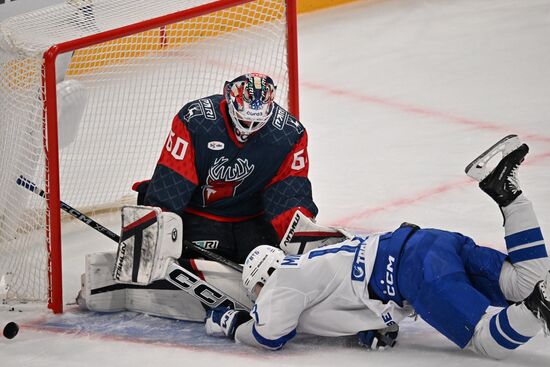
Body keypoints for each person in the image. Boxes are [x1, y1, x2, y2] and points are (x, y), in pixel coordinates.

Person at [205, 135, 550, 359]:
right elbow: (343, 303)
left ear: (262, 280)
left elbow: (269, 335)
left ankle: (539, 304)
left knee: (486, 340)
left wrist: (232, 323)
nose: (259, 298)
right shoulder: (312, 267)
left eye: (257, 291)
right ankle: (508, 193)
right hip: (430, 242)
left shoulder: (283, 282)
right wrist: (370, 327)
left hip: (415, 269)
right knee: (523, 283)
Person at [132, 73, 318, 263]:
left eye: (257, 121)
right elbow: (173, 182)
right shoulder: (196, 120)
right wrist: (156, 230)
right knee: (185, 259)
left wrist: (300, 231)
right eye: (244, 118)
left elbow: (287, 194)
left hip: (251, 221)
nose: (249, 126)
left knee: (273, 262)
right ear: (230, 100)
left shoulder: (289, 135)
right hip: (199, 216)